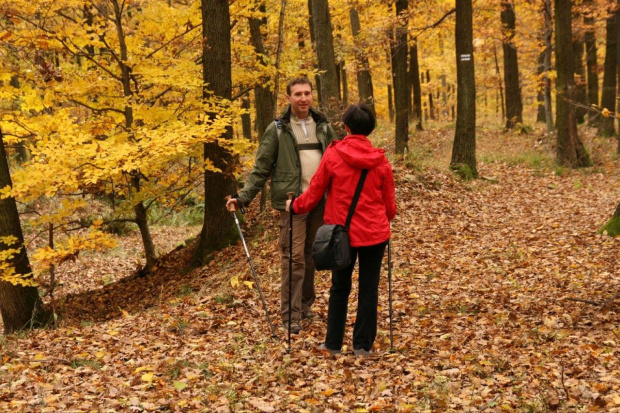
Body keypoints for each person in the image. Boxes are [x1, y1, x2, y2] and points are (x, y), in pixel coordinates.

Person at [226, 77, 336, 334]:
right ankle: (290, 316)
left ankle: (305, 306)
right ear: (288, 98)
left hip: (319, 202)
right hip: (292, 204)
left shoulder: (323, 126)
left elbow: (336, 161)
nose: (303, 98)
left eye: (307, 93)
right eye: (297, 94)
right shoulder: (277, 129)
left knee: (311, 256)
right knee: (293, 258)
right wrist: (243, 198)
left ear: (312, 96)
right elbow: (261, 168)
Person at [286, 103, 396, 356]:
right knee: (369, 289)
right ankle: (362, 346)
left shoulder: (334, 156)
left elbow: (314, 193)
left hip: (340, 235)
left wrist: (295, 206)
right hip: (374, 235)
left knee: (339, 288)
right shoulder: (380, 161)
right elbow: (390, 207)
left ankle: (333, 343)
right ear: (370, 129)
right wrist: (382, 217)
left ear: (345, 127)